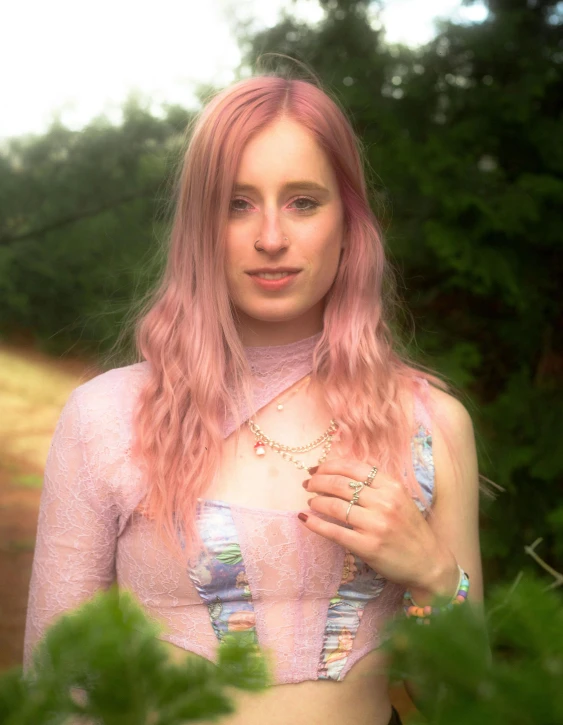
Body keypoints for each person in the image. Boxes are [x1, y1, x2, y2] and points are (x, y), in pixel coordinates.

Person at [24, 73, 483, 725]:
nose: (271, 236)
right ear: (198, 228)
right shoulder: (107, 418)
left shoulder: (429, 424)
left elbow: (465, 703)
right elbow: (56, 691)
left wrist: (435, 574)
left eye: (302, 201)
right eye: (236, 203)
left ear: (348, 223)